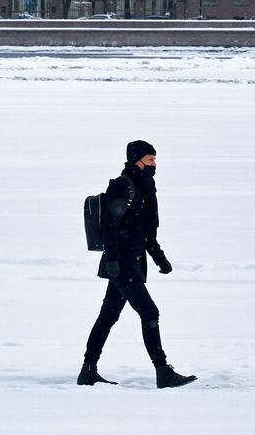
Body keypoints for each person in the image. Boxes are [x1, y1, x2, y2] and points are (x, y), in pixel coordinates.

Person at [79, 140, 196, 389]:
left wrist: (159, 258)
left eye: (155, 159)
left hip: (133, 263)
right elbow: (110, 225)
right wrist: (111, 260)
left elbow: (146, 233)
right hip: (121, 265)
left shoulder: (146, 188)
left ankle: (88, 370)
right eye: (150, 159)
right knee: (149, 313)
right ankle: (163, 372)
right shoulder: (123, 185)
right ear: (136, 160)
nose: (154, 164)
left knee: (107, 317)